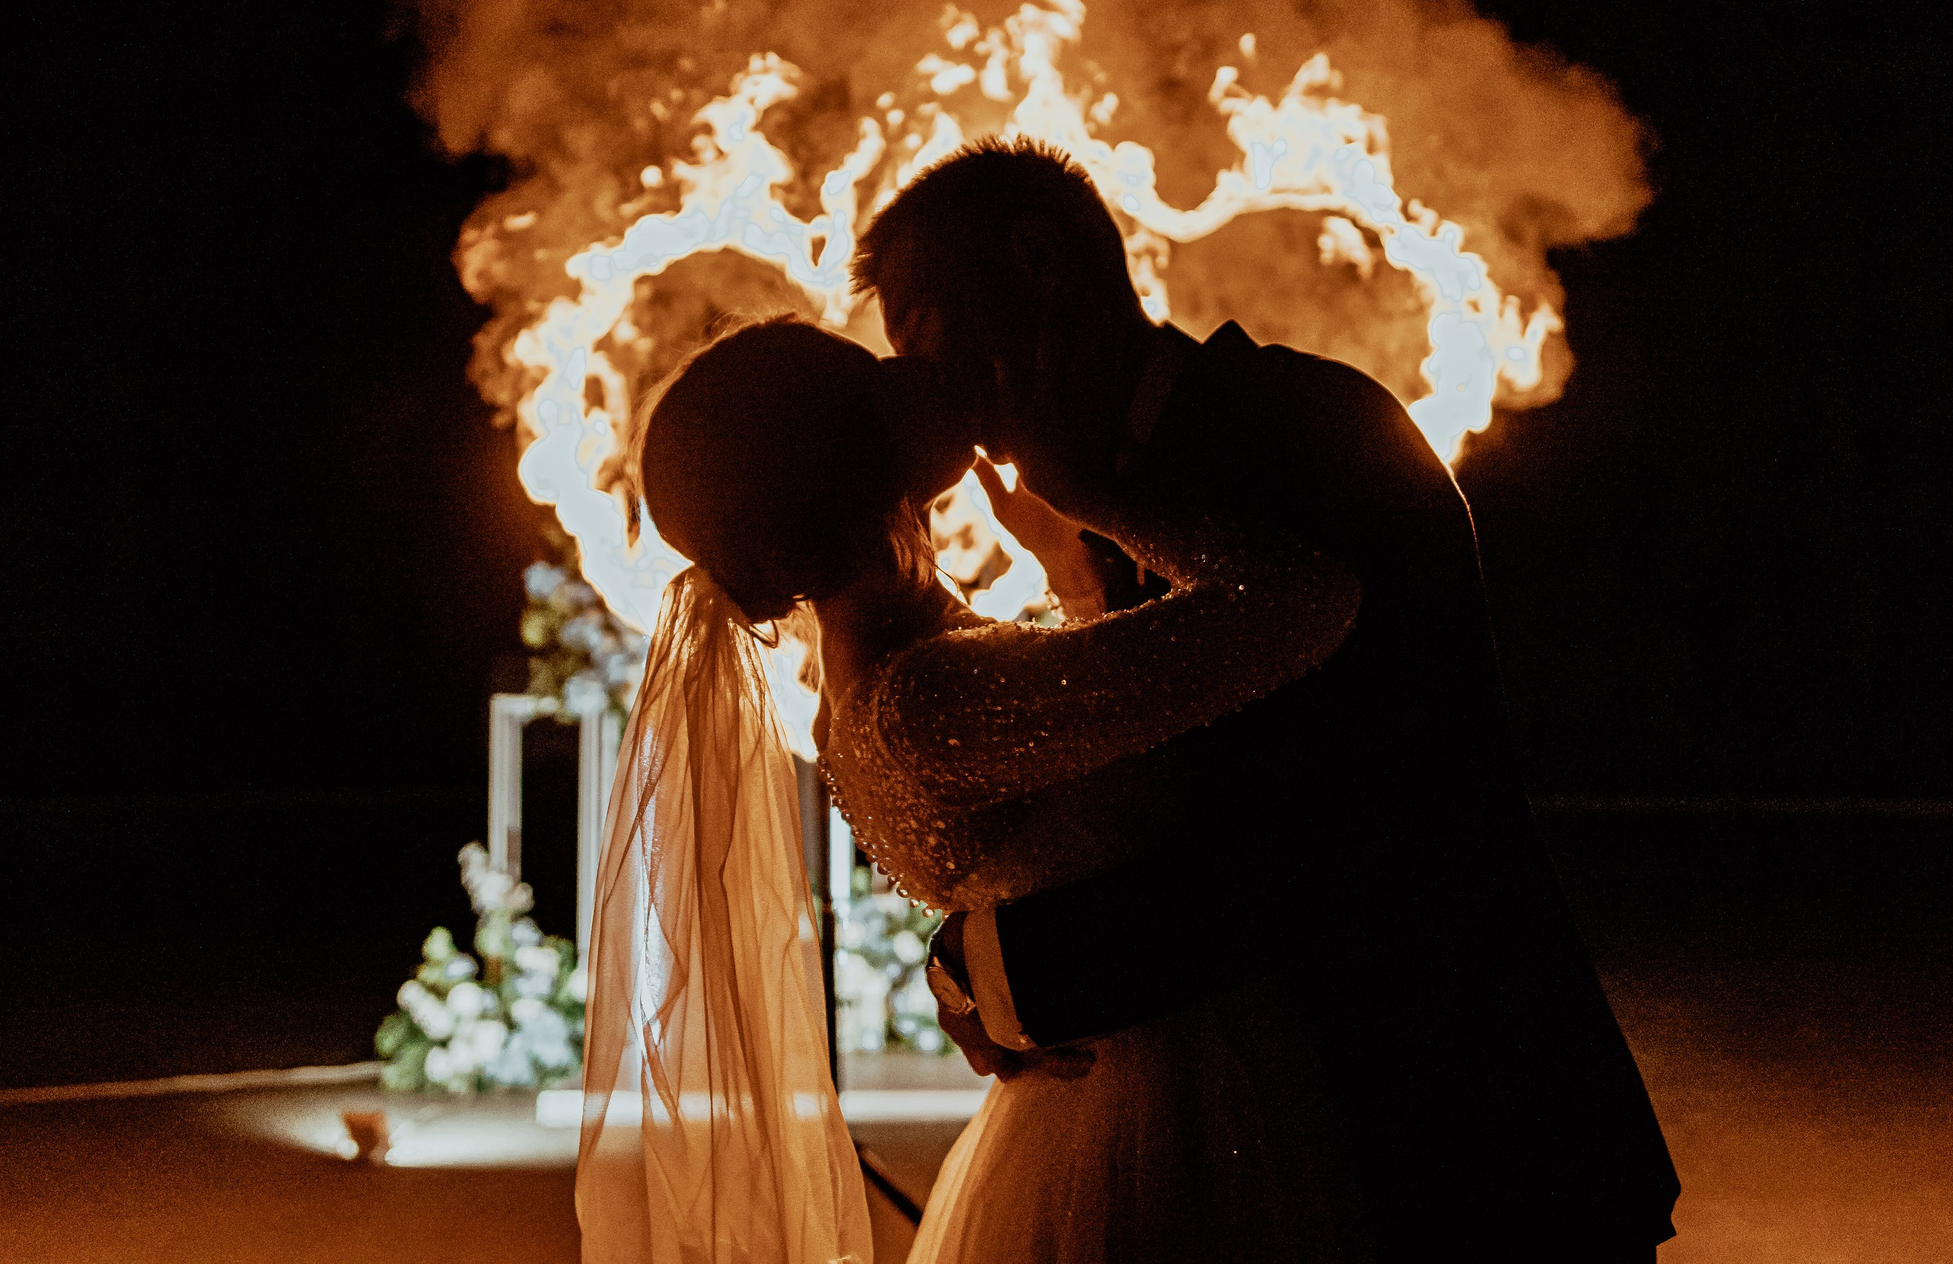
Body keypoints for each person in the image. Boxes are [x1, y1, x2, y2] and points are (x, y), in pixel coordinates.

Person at [851, 141, 1682, 1261]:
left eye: (922, 324)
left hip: (1460, 1141)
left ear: (1036, 261)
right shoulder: (1115, 495)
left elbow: (1326, 848)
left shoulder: (1305, 437)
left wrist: (997, 969)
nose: (919, 379)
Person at [576, 313, 1367, 1262]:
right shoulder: (932, 699)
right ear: (879, 492)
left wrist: (1071, 573)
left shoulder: (878, 693)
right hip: (1174, 1108)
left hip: (1095, 1104)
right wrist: (1101, 499)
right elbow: (1304, 600)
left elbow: (1064, 795)